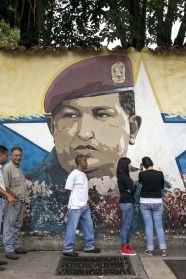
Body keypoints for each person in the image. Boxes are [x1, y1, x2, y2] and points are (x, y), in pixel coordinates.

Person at [29, 55, 141, 186]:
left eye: (102, 115)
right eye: (71, 116)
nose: (84, 133)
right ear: (52, 128)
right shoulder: (32, 192)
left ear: (132, 129)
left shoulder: (159, 193)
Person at [62, 155, 100, 257]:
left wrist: (88, 200)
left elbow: (83, 190)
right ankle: (67, 249)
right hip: (75, 206)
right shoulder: (73, 175)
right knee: (72, 227)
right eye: (85, 161)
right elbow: (67, 190)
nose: (87, 163)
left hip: (84, 205)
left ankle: (89, 247)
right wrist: (75, 198)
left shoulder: (83, 175)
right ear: (80, 163)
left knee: (88, 225)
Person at [2, 147, 29, 260]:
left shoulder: (19, 168)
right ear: (11, 156)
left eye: (19, 155)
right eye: (15, 155)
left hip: (21, 201)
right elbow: (5, 187)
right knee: (9, 225)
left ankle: (16, 246)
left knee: (17, 225)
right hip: (12, 202)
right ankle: (9, 250)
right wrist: (11, 197)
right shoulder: (8, 168)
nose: (18, 157)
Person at [139, 156, 167, 256]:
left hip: (145, 202)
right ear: (152, 163)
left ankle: (150, 250)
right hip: (157, 201)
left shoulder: (142, 174)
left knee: (148, 226)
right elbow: (162, 186)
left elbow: (140, 182)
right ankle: (163, 250)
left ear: (144, 165)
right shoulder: (160, 174)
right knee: (159, 226)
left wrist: (141, 169)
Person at [117, 157, 137, 256]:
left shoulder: (123, 176)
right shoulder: (124, 176)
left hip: (128, 202)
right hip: (126, 203)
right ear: (125, 165)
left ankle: (126, 245)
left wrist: (131, 187)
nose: (130, 166)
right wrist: (133, 185)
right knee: (126, 226)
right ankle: (124, 247)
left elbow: (131, 189)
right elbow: (133, 190)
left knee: (132, 226)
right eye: (129, 164)